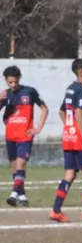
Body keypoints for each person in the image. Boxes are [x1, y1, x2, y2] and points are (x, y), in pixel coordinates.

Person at [50, 59, 82, 223]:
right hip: (79, 139)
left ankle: (56, 210)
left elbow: (62, 111)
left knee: (70, 174)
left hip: (68, 137)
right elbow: (79, 112)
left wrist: (69, 128)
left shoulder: (70, 89)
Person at [0, 65, 47, 207]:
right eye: (10, 82)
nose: (13, 85)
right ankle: (22, 196)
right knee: (15, 168)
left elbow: (44, 108)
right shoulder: (5, 94)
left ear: (19, 79)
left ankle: (14, 194)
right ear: (6, 81)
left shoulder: (30, 92)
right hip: (10, 136)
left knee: (21, 164)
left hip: (25, 136)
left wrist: (38, 128)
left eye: (15, 81)